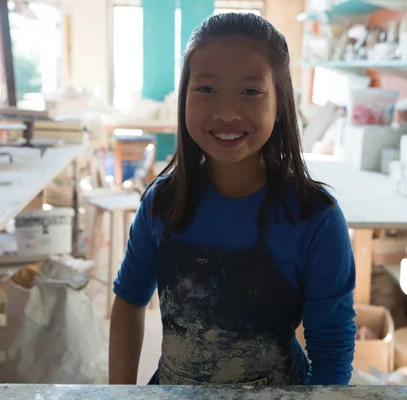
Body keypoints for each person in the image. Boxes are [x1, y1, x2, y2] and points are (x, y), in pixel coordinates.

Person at [109, 12, 356, 386]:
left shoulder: (313, 216)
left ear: (280, 104)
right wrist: (120, 395)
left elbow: (332, 352)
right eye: (207, 89)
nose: (226, 112)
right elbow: (129, 302)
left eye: (251, 91)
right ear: (184, 97)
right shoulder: (163, 202)